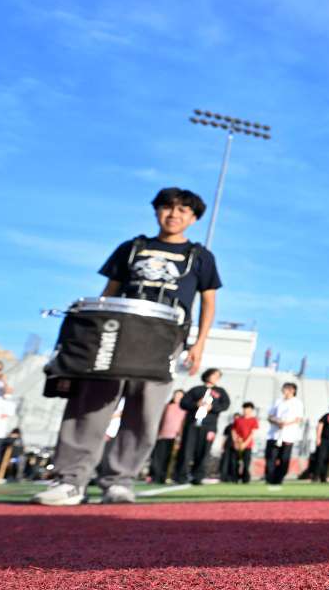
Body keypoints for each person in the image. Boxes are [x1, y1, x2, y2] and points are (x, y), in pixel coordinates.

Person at [33, 188, 222, 506]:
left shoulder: (200, 257)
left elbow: (209, 303)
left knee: (145, 411)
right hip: (117, 333)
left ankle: (119, 480)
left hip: (163, 338)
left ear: (193, 218)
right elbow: (108, 292)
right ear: (157, 211)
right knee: (90, 406)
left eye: (182, 210)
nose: (174, 215)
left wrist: (199, 344)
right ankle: (71, 480)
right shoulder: (132, 248)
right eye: (167, 208)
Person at [175, 368, 230, 485]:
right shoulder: (196, 390)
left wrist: (213, 408)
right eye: (214, 375)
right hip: (192, 424)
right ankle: (181, 476)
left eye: (218, 376)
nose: (216, 378)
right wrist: (196, 404)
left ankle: (198, 476)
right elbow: (183, 403)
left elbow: (225, 405)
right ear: (208, 375)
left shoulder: (220, 392)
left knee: (204, 451)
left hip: (209, 426)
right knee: (186, 451)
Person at [264, 382, 305, 486]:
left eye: (287, 389)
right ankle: (270, 478)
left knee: (284, 458)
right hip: (274, 434)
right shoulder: (278, 401)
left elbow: (298, 418)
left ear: (293, 390)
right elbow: (270, 416)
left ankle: (279, 478)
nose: (284, 391)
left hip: (288, 435)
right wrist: (277, 422)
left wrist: (286, 424)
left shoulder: (297, 403)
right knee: (271, 458)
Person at [148, 389, 186, 484]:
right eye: (176, 395)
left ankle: (163, 477)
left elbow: (183, 424)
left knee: (168, 458)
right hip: (162, 435)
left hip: (174, 437)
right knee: (157, 457)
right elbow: (159, 420)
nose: (177, 397)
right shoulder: (167, 407)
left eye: (180, 396)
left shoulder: (184, 409)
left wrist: (180, 436)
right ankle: (154, 476)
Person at [230, 403, 259, 483]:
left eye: (247, 409)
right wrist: (235, 442)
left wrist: (245, 444)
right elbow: (233, 431)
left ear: (251, 410)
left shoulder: (254, 420)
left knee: (246, 463)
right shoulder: (238, 420)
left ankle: (245, 479)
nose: (245, 411)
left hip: (247, 445)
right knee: (235, 463)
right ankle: (235, 479)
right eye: (244, 409)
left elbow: (252, 433)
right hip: (237, 445)